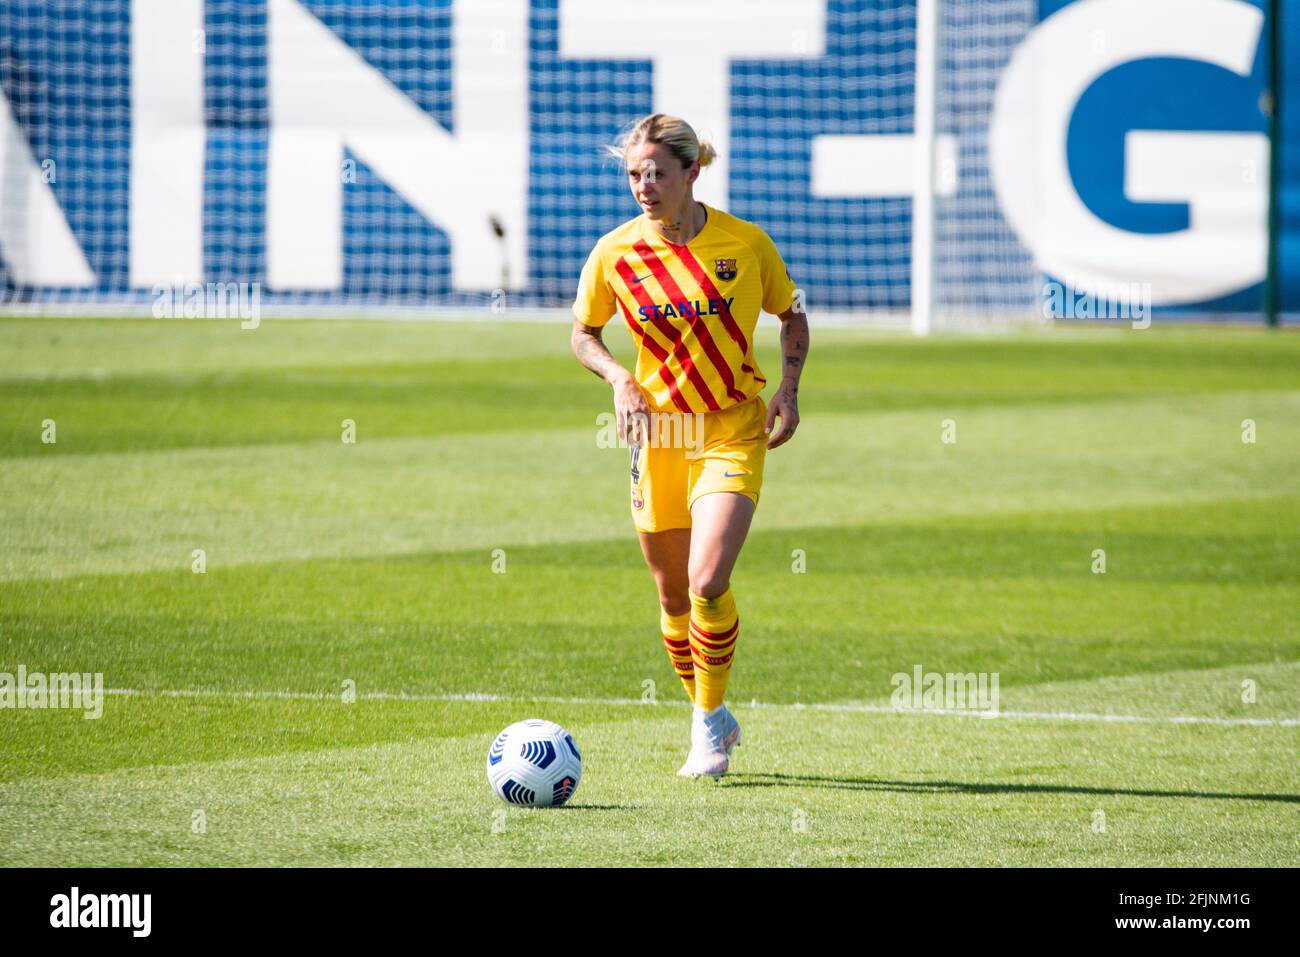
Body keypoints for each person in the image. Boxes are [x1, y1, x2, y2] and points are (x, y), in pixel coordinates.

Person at [569, 113, 809, 778]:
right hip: (660, 435)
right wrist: (619, 377)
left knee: (708, 581)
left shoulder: (744, 244)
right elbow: (583, 332)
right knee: (673, 597)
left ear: (691, 173)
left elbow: (791, 312)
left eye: (656, 173)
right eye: (633, 175)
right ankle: (714, 712)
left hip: (731, 426)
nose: (643, 186)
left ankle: (706, 727)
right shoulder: (616, 252)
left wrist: (789, 387)